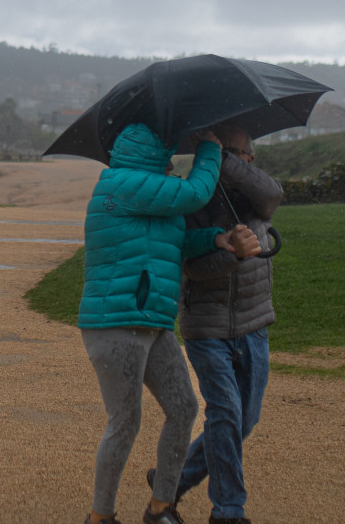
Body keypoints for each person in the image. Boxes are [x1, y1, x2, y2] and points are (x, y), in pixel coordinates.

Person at [78, 123, 255, 524]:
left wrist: (215, 239)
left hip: (152, 321)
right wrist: (210, 148)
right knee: (125, 421)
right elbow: (195, 193)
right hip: (115, 323)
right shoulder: (120, 184)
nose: (176, 152)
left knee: (183, 406)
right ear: (151, 152)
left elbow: (173, 239)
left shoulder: (151, 188)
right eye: (170, 147)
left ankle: (161, 507)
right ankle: (99, 516)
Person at [149, 122, 282, 524]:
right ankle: (228, 510)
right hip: (205, 326)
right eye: (213, 152)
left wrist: (221, 157)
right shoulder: (190, 196)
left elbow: (273, 196)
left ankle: (169, 481)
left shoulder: (254, 193)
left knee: (244, 420)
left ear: (247, 159)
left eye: (233, 153)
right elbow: (193, 267)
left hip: (253, 321)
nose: (220, 160)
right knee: (224, 412)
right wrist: (232, 254)